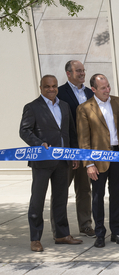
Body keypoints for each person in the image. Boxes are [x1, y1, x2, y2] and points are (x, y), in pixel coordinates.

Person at [19, 75, 83, 252]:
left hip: (63, 161)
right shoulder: (32, 107)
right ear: (41, 88)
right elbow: (24, 130)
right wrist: (39, 143)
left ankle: (62, 234)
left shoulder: (63, 106)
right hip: (42, 162)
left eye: (54, 86)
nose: (51, 89)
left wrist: (74, 155)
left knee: (60, 198)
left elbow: (70, 133)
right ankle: (35, 238)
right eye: (47, 86)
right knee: (37, 200)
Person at [76, 74, 119, 248]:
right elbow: (83, 139)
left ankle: (116, 232)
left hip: (118, 155)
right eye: (103, 88)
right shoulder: (84, 108)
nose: (107, 90)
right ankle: (100, 233)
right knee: (98, 197)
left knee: (117, 195)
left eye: (108, 86)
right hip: (98, 160)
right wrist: (89, 163)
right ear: (93, 90)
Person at [57, 60, 95, 238]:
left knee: (84, 189)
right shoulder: (60, 93)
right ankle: (60, 229)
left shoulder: (90, 92)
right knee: (61, 190)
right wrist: (71, 151)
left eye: (83, 70)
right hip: (68, 150)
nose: (82, 73)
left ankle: (86, 225)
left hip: (86, 150)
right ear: (68, 73)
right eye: (78, 71)